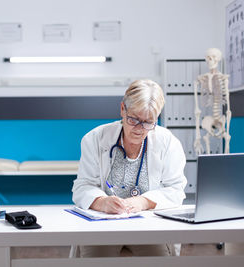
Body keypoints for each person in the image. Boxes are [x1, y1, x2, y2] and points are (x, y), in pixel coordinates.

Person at [72, 79, 187, 257]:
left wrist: (143, 202)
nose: (139, 129)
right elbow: (82, 187)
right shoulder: (95, 139)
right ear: (122, 109)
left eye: (148, 122)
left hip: (146, 224)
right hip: (104, 225)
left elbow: (176, 190)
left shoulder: (168, 142)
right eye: (133, 119)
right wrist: (102, 202)